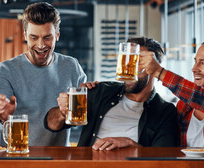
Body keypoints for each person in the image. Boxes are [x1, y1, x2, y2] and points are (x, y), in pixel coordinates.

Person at [45, 37, 178, 150]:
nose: (128, 66)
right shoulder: (101, 91)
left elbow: (163, 159)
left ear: (154, 67)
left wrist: (130, 144)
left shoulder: (165, 111)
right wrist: (63, 111)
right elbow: (51, 124)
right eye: (126, 59)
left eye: (138, 61)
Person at [0, 2, 87, 146]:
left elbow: (84, 117)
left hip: (57, 161)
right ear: (25, 35)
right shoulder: (6, 70)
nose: (41, 45)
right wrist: (2, 117)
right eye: (34, 38)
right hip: (17, 159)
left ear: (57, 35)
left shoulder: (72, 66)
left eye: (47, 38)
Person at [140, 37, 204, 148]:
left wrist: (159, 72)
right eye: (195, 62)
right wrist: (137, 147)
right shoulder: (185, 105)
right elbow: (171, 147)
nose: (194, 69)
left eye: (203, 63)